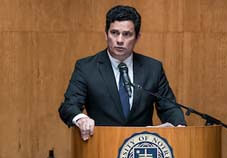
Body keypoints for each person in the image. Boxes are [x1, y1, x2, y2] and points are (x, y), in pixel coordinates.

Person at [58, 5, 186, 141]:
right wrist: (81, 119)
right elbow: (69, 106)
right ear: (105, 34)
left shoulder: (152, 68)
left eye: (127, 34)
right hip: (101, 148)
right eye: (114, 33)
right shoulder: (86, 68)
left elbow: (169, 108)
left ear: (137, 37)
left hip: (141, 151)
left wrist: (179, 127)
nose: (119, 40)